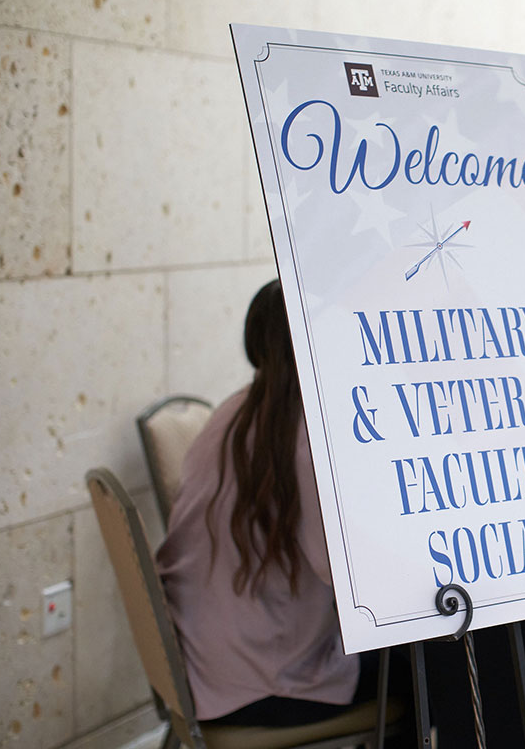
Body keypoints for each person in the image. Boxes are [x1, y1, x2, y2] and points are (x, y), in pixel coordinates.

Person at [157, 279, 405, 729]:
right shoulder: (303, 433)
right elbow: (351, 578)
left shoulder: (234, 412)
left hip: (209, 661)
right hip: (264, 682)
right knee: (438, 664)